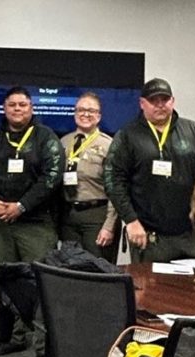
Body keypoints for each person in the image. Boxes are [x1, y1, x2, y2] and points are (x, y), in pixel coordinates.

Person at [0, 87, 63, 356]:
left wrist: (21, 206)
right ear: (4, 108)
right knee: (7, 283)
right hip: (2, 225)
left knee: (40, 284)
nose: (17, 109)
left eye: (23, 105)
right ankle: (13, 336)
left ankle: (44, 346)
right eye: (12, 105)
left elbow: (51, 178)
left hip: (36, 224)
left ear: (31, 108)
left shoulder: (45, 138)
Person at [105, 78, 195, 263]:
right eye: (153, 101)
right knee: (151, 291)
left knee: (192, 290)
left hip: (190, 234)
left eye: (164, 100)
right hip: (147, 235)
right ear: (142, 103)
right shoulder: (128, 135)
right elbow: (113, 180)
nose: (160, 105)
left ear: (173, 101)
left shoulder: (193, 130)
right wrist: (131, 221)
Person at [59, 93, 119, 263]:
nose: (85, 114)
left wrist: (109, 226)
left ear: (99, 116)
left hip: (97, 216)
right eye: (81, 110)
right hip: (69, 217)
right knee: (70, 270)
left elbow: (116, 189)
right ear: (75, 113)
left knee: (97, 271)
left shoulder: (109, 145)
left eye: (91, 111)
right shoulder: (64, 142)